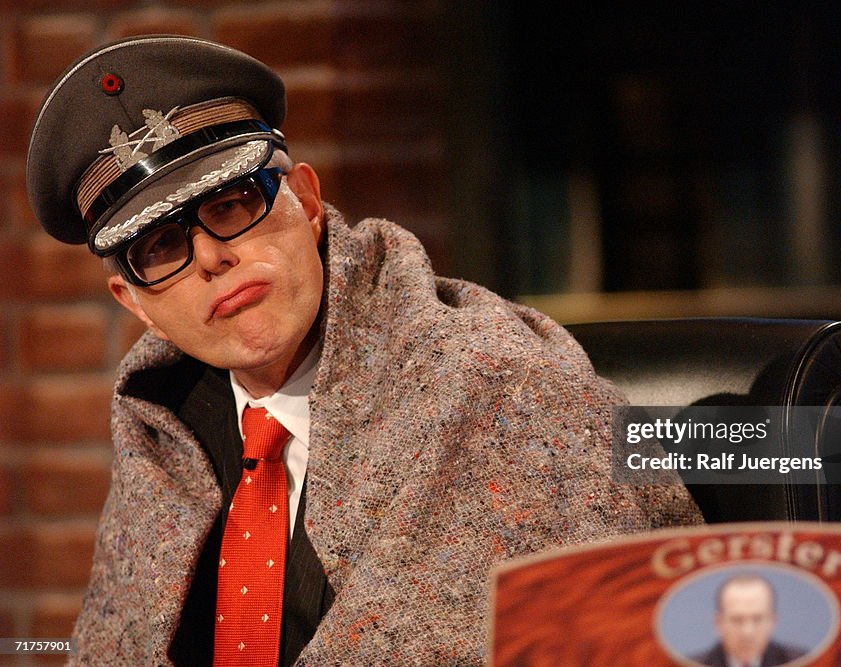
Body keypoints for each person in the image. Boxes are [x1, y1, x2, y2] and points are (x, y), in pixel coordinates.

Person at [25, 35, 702, 665]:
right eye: (161, 246)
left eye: (231, 204)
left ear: (309, 202)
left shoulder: (501, 391)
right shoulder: (160, 436)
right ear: (134, 301)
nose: (209, 255)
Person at [693, 574, 806, 667]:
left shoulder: (805, 662)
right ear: (718, 623)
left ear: (773, 621)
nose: (747, 632)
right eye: (737, 620)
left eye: (757, 619)